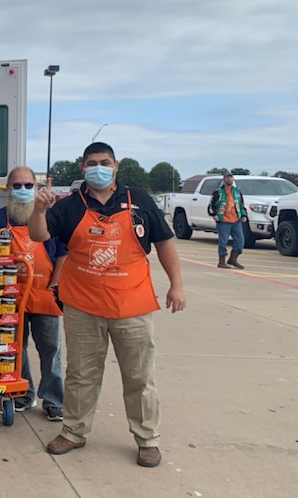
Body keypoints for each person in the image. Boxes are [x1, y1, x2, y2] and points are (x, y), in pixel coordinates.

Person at [29, 142, 186, 468]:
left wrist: (177, 285)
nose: (97, 168)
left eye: (103, 162)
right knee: (80, 374)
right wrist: (39, 209)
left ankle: (147, 439)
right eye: (90, 163)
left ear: (115, 166)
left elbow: (164, 242)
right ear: (82, 168)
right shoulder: (70, 205)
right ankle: (73, 431)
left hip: (133, 304)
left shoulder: (139, 200)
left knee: (139, 376)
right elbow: (39, 235)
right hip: (83, 305)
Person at [0, 166, 66, 420]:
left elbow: (63, 254)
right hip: (10, 296)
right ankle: (23, 393)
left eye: (28, 185)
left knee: (50, 347)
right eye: (17, 185)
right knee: (16, 348)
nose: (23, 190)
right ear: (8, 189)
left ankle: (53, 399)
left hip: (44, 292)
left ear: (37, 189)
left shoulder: (51, 217)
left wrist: (55, 284)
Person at [209, 172, 248, 269]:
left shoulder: (237, 192)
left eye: (231, 177)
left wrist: (243, 215)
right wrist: (214, 214)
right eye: (227, 177)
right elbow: (211, 205)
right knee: (223, 242)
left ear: (233, 179)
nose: (229, 179)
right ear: (223, 179)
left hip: (236, 220)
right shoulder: (218, 192)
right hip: (223, 220)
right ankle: (221, 261)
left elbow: (241, 205)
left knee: (240, 241)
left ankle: (233, 259)